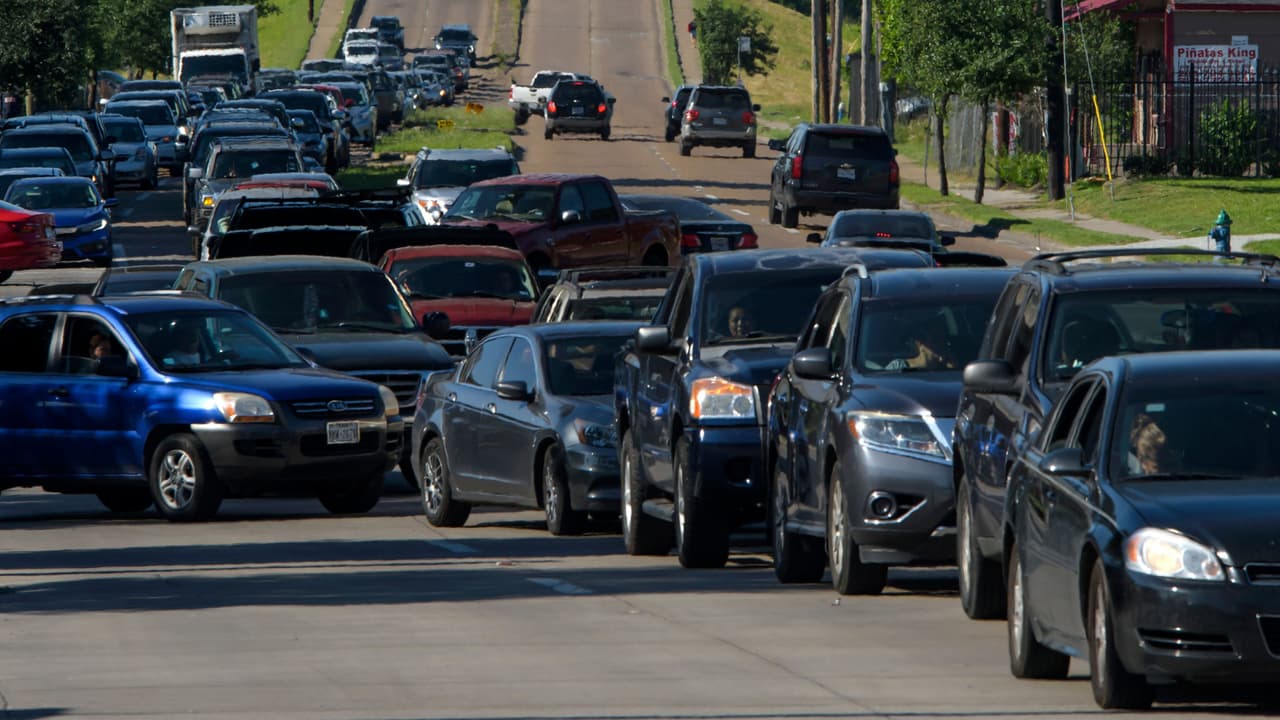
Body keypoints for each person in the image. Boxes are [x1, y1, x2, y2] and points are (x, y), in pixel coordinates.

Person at [883, 322, 956, 371]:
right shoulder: (898, 366)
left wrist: (951, 366)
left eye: (943, 340)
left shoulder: (944, 370)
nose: (941, 344)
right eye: (936, 339)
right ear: (919, 343)